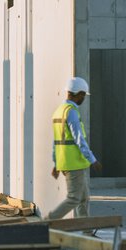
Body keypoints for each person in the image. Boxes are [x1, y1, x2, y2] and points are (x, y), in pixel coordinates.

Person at [47, 77, 102, 222]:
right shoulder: (71, 112)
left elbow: (57, 142)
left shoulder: (59, 111)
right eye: (83, 94)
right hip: (74, 163)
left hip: (68, 162)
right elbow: (79, 139)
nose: (83, 98)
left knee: (83, 198)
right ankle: (47, 222)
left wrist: (56, 164)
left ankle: (86, 230)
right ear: (77, 93)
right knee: (74, 198)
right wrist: (93, 159)